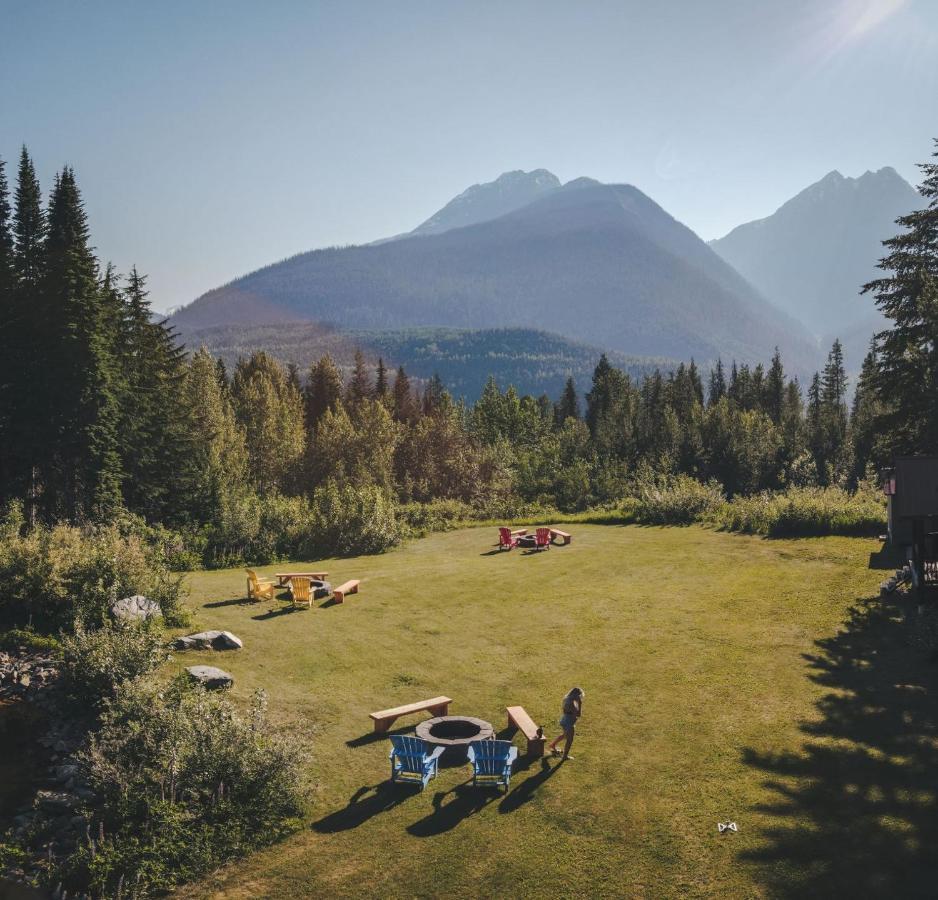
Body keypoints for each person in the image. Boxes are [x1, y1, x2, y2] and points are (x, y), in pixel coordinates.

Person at [548, 687, 584, 760]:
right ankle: (565, 756)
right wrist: (580, 704)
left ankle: (552, 744)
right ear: (577, 696)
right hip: (569, 723)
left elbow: (564, 711)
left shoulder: (566, 699)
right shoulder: (573, 703)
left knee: (565, 735)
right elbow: (578, 715)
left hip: (564, 719)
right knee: (569, 740)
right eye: (580, 696)